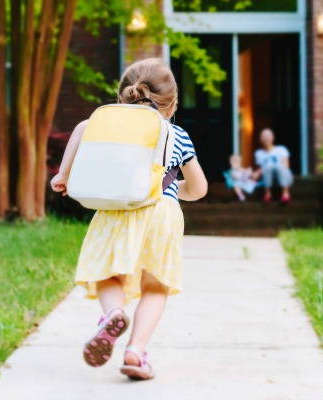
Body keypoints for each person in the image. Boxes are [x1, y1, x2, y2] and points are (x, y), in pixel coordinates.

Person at [50, 58, 208, 380]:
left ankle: (113, 313)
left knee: (107, 274)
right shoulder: (177, 134)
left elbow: (64, 173)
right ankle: (136, 352)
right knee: (155, 286)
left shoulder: (94, 125)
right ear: (172, 104)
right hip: (161, 213)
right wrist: (176, 189)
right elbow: (199, 188)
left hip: (115, 210)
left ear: (124, 96)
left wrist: (62, 176)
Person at [252, 128, 293, 203]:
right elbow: (260, 168)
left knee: (278, 165)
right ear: (260, 139)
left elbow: (286, 166)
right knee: (267, 166)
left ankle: (285, 192)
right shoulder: (258, 153)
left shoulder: (281, 149)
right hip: (268, 178)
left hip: (284, 176)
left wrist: (274, 166)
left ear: (273, 138)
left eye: (268, 136)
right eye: (264, 136)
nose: (266, 138)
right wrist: (256, 173)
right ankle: (267, 193)